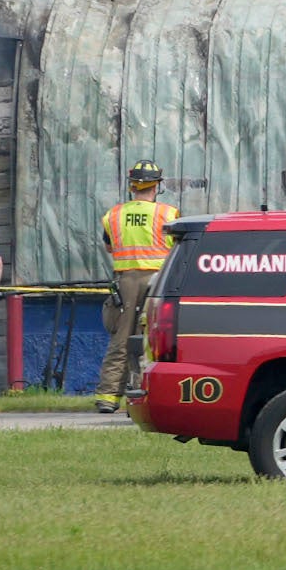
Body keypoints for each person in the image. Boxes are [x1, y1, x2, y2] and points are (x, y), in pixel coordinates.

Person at [96, 161, 178, 411]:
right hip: (158, 281)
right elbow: (178, 245)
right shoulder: (168, 213)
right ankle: (142, 395)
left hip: (126, 280)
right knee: (151, 339)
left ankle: (108, 396)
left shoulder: (114, 215)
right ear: (157, 186)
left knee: (121, 338)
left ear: (132, 186)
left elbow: (110, 246)